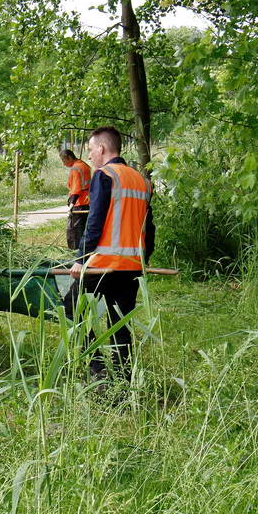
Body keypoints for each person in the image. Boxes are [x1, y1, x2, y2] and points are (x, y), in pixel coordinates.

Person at [64, 126, 154, 384]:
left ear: (101, 148)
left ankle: (96, 365)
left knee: (71, 307)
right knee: (120, 324)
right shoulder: (142, 180)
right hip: (133, 266)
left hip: (104, 265)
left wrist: (81, 259)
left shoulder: (104, 175)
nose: (90, 155)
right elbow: (150, 227)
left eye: (91, 149)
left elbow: (95, 222)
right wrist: (144, 260)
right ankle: (123, 383)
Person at [60, 148, 91, 250]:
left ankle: (76, 253)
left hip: (79, 204)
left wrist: (71, 204)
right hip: (87, 202)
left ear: (69, 157)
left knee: (74, 230)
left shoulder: (75, 169)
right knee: (84, 229)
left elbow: (76, 189)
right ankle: (84, 250)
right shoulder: (84, 165)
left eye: (64, 161)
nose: (64, 164)